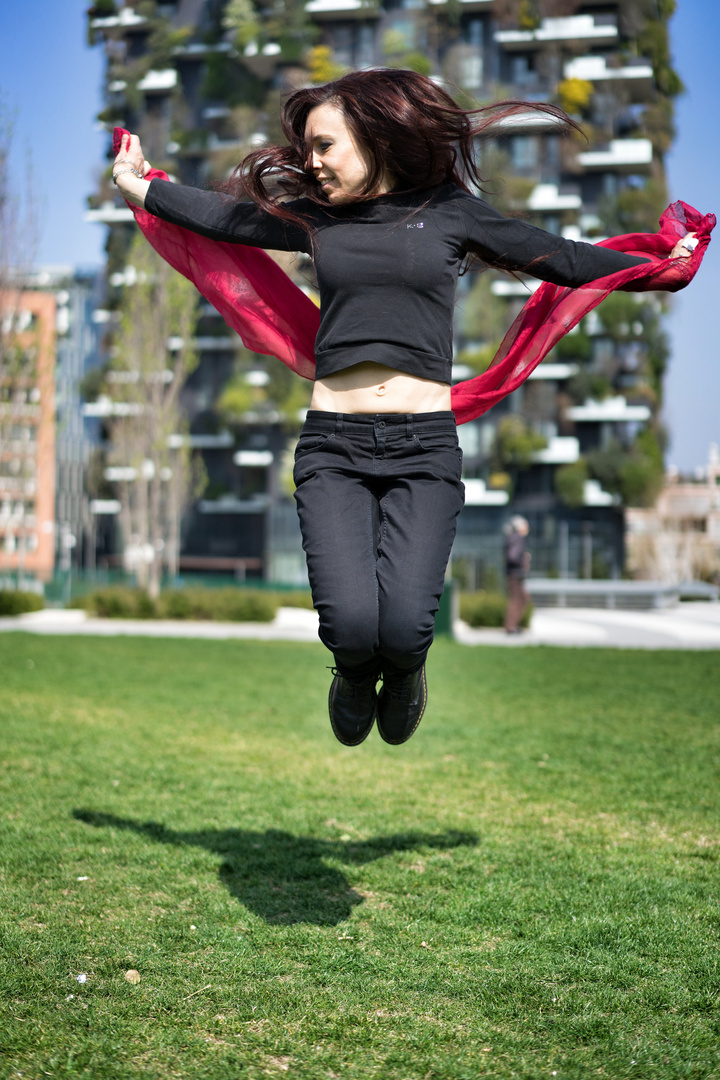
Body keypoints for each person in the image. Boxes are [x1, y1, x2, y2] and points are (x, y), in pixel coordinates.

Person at [111, 68, 697, 748]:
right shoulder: (318, 221)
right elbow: (228, 220)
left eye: (325, 145)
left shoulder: (452, 214)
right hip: (334, 447)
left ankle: (408, 670)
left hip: (424, 448)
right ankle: (355, 673)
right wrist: (141, 187)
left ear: (373, 134)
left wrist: (658, 267)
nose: (312, 162)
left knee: (408, 627)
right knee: (353, 626)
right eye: (307, 150)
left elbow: (559, 257)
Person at [504, 516, 531, 634]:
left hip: (514, 573)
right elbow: (512, 556)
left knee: (522, 598)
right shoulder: (517, 538)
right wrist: (523, 561)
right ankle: (511, 627)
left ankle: (513, 625)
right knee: (517, 599)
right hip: (515, 574)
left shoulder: (512, 537)